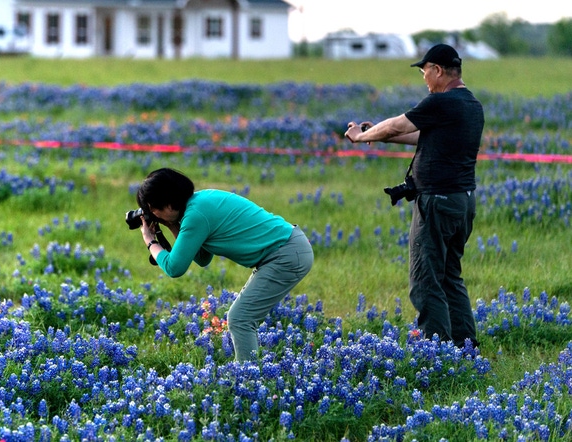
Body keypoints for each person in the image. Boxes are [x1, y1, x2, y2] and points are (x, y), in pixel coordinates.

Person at [344, 44, 484, 349]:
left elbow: (397, 124)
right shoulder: (470, 104)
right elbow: (421, 135)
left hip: (437, 201)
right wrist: (379, 134)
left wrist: (361, 136)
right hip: (463, 200)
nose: (424, 80)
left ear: (437, 70)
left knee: (425, 280)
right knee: (449, 276)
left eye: (425, 73)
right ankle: (465, 346)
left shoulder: (441, 102)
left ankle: (437, 352)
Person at [135, 167, 314, 361]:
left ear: (169, 202)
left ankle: (246, 379)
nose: (153, 214)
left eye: (154, 208)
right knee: (241, 317)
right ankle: (247, 373)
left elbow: (174, 268)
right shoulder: (199, 203)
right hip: (289, 247)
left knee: (241, 318)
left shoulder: (196, 215)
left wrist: (150, 241)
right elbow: (203, 258)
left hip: (285, 254)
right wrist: (172, 225)